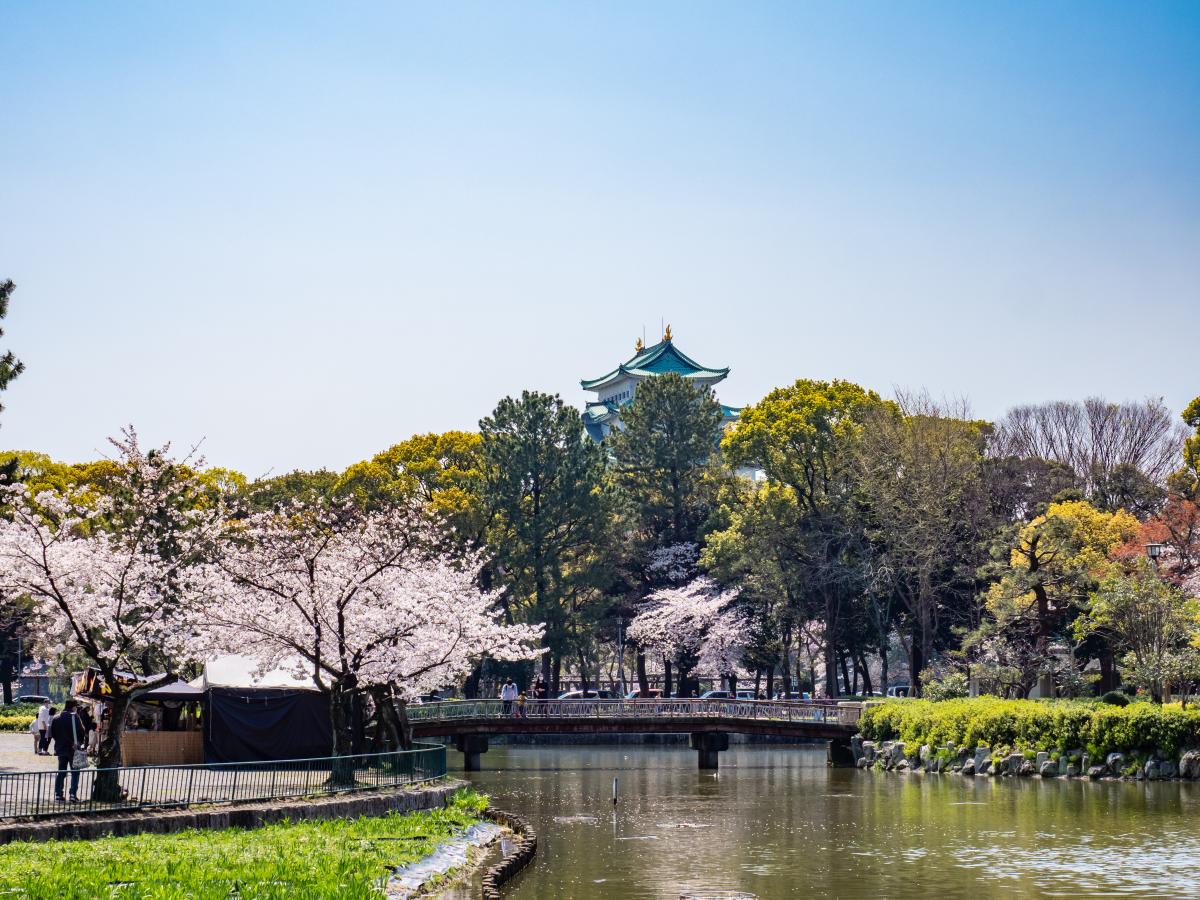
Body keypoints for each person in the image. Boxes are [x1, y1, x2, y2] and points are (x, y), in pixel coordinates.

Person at [50, 700, 86, 802]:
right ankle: (72, 795)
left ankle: (58, 794)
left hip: (60, 748)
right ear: (73, 707)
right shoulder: (74, 717)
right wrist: (79, 742)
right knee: (75, 772)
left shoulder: (56, 718)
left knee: (61, 771)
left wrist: (59, 741)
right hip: (73, 749)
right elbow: (81, 732)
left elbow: (53, 733)